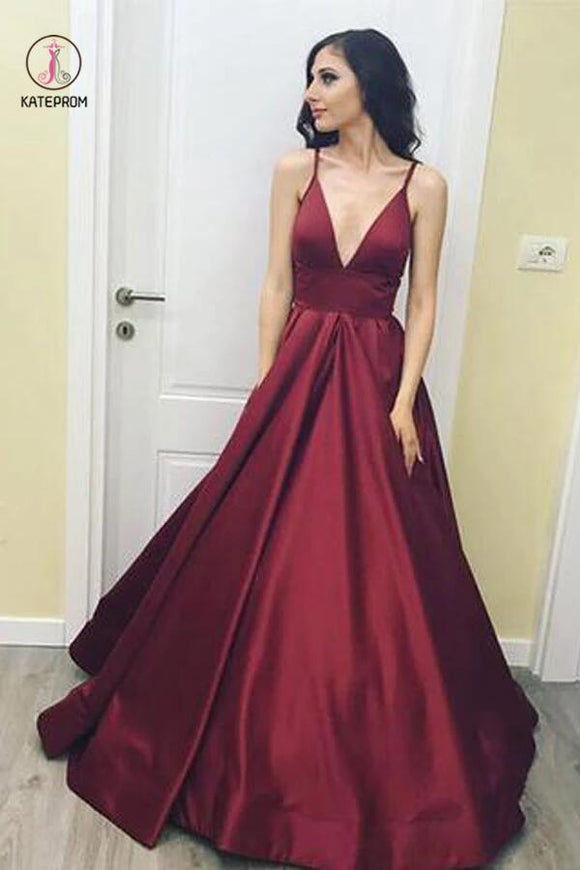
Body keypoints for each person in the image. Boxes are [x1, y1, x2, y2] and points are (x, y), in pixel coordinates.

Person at [36, 27, 539, 870]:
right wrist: (267, 383)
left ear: (370, 83)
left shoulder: (425, 186)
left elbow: (423, 303)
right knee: (258, 545)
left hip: (377, 383)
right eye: (311, 77)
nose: (311, 92)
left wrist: (404, 402)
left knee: (383, 563)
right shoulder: (294, 171)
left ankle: (383, 747)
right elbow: (274, 282)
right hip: (298, 374)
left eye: (327, 76)